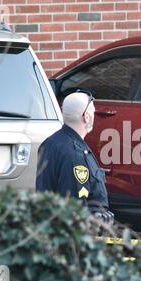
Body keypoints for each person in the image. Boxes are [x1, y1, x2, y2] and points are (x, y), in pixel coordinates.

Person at [36, 90, 113, 224]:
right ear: (86, 117)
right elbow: (75, 206)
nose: (94, 116)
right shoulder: (75, 154)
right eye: (93, 113)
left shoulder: (50, 143)